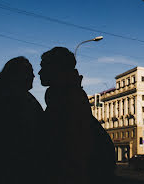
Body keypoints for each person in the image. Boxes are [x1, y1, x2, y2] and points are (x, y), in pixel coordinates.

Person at [39, 47, 115, 184]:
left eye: (43, 67)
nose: (39, 72)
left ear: (57, 68)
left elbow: (71, 150)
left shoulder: (66, 98)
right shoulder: (63, 94)